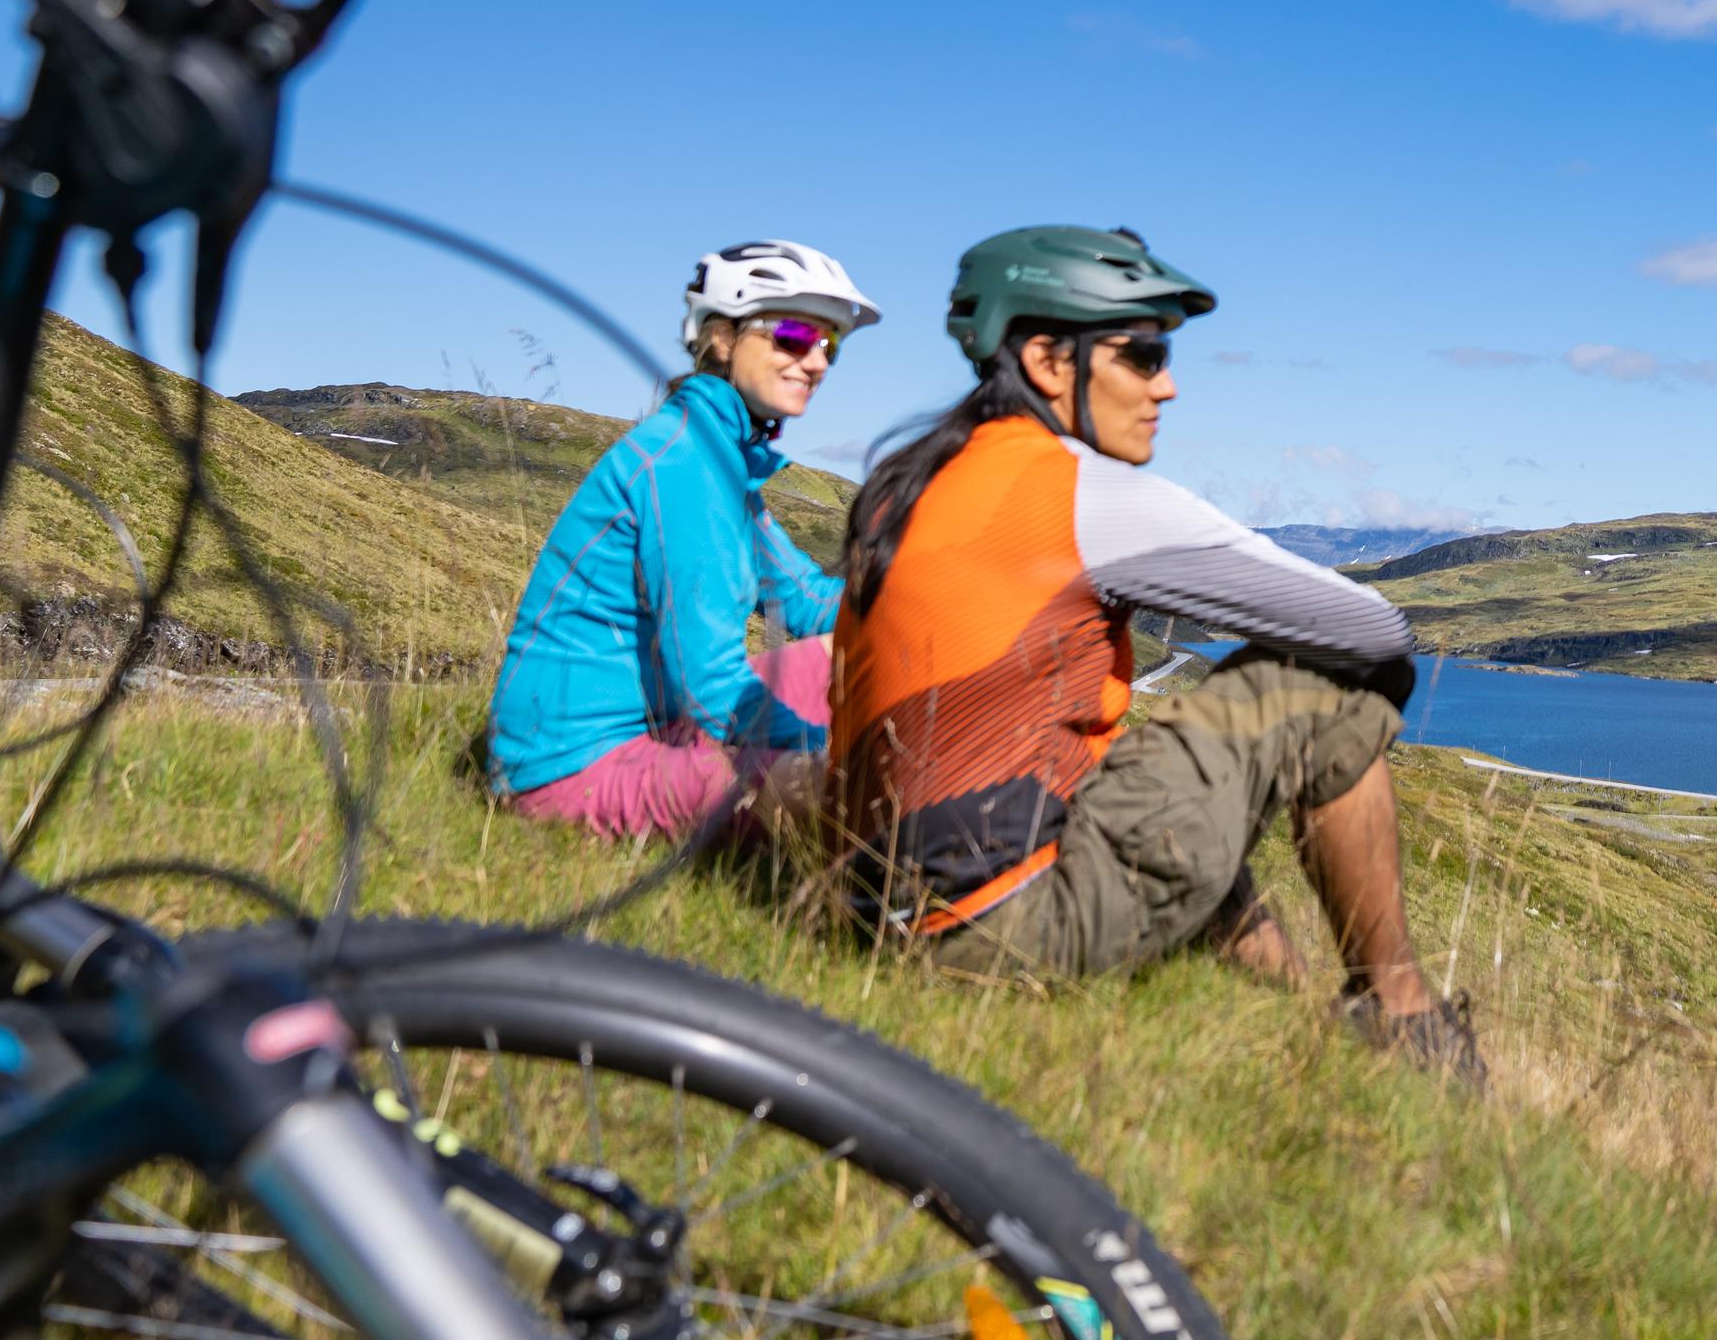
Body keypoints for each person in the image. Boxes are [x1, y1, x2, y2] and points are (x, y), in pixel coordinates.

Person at [832, 225, 1478, 1080]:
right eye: (1141, 354)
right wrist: (1365, 697)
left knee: (1147, 758)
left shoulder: (906, 484)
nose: (1167, 387)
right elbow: (1371, 630)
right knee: (1321, 694)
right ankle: (1403, 1021)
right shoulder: (1079, 492)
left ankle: (1286, 1010)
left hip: (874, 915)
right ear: (1048, 362)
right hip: (1005, 935)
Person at [488, 240, 881, 839]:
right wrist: (833, 752)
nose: (818, 362)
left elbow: (808, 602)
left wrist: (930, 608)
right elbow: (712, 684)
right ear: (722, 338)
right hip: (572, 769)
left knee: (849, 654)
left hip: (656, 730)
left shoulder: (718, 459)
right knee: (858, 788)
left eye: (830, 344)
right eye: (796, 336)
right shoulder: (684, 463)